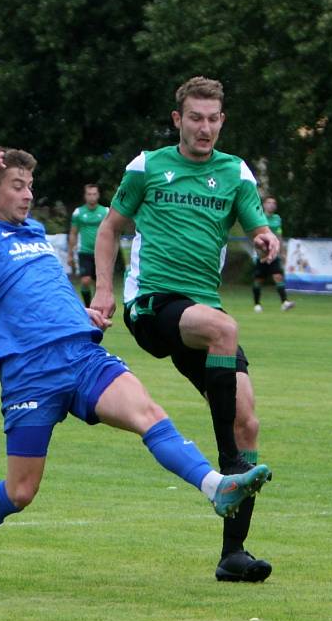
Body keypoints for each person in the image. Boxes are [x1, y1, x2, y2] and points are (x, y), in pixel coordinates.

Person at [0, 147, 271, 587]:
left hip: (81, 355)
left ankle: (216, 485)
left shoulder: (35, 231)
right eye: (17, 186)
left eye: (30, 186)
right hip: (30, 372)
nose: (27, 195)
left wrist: (84, 315)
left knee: (148, 414)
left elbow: (43, 291)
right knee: (21, 491)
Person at [92, 76, 280, 583]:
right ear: (178, 120)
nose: (204, 127)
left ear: (223, 121)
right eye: (195, 117)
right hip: (152, 306)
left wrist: (264, 238)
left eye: (213, 119)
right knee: (225, 329)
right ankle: (223, 473)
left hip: (199, 316)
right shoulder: (147, 167)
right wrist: (104, 291)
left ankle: (233, 554)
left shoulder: (234, 173)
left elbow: (256, 223)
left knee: (249, 422)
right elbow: (110, 229)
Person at [252, 195, 295, 312]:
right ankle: (257, 304)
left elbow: (279, 235)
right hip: (261, 254)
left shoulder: (277, 219)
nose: (271, 205)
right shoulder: (259, 217)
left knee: (278, 276)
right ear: (264, 205)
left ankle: (284, 302)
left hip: (274, 253)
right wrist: (259, 251)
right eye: (269, 203)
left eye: (274, 203)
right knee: (258, 279)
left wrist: (282, 252)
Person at [67, 184, 108, 307]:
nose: (92, 197)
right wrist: (70, 254)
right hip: (84, 252)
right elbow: (73, 233)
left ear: (98, 195)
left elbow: (111, 232)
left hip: (101, 252)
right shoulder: (79, 212)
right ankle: (88, 307)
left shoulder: (105, 211)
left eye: (94, 194)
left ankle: (98, 307)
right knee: (85, 281)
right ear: (85, 196)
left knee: (100, 283)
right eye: (89, 194)